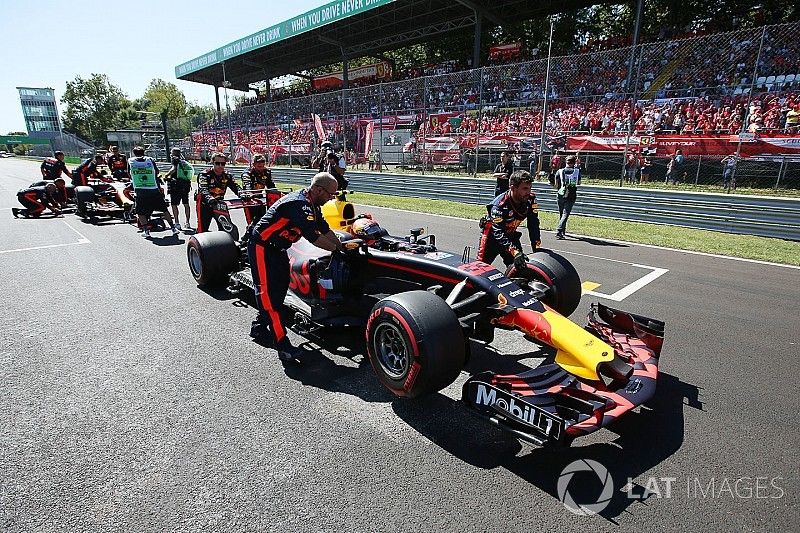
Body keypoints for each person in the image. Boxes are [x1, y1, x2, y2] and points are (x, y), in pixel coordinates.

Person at [248, 172, 346, 362]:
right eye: (330, 195)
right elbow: (314, 237)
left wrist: (343, 247)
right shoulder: (298, 204)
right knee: (268, 298)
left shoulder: (313, 205)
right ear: (318, 190)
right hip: (261, 247)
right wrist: (336, 250)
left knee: (279, 291)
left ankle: (259, 327)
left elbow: (325, 229)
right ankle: (283, 346)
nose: (331, 198)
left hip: (279, 250)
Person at [477, 170, 541, 268]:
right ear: (512, 188)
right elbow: (498, 232)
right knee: (479, 269)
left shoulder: (531, 200)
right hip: (492, 238)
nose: (528, 192)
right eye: (524, 188)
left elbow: (533, 225)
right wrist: (514, 252)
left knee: (520, 266)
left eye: (530, 188)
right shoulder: (499, 205)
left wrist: (536, 248)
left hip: (510, 235)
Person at [129, 146, 179, 238]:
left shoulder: (131, 161)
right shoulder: (150, 159)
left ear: (134, 153)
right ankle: (173, 228)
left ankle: (146, 231)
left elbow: (129, 174)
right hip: (153, 189)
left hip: (140, 190)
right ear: (143, 152)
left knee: (140, 212)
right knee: (164, 210)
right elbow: (156, 171)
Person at [195, 152, 241, 235]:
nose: (220, 166)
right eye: (217, 163)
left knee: (225, 228)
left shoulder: (227, 175)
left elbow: (236, 187)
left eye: (223, 163)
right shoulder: (205, 174)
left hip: (219, 205)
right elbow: (203, 189)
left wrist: (243, 194)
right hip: (205, 205)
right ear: (212, 163)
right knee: (202, 229)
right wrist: (209, 198)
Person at [162, 148, 194, 230]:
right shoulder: (184, 161)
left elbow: (174, 169)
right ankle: (187, 222)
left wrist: (166, 175)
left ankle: (177, 223)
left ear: (173, 153)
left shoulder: (174, 159)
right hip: (185, 185)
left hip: (176, 185)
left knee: (174, 204)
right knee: (186, 204)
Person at [241, 154, 275, 225]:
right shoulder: (247, 173)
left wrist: (277, 193)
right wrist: (249, 193)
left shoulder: (267, 172)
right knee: (252, 223)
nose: (261, 167)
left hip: (260, 199)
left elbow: (271, 187)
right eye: (259, 164)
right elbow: (247, 185)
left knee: (263, 220)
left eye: (263, 163)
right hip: (249, 200)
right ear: (253, 164)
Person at [553, 155, 581, 239]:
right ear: (574, 162)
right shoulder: (577, 171)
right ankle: (559, 230)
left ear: (566, 162)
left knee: (562, 213)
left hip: (560, 194)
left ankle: (562, 230)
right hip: (571, 195)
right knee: (566, 213)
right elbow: (579, 183)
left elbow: (556, 184)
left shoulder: (560, 171)